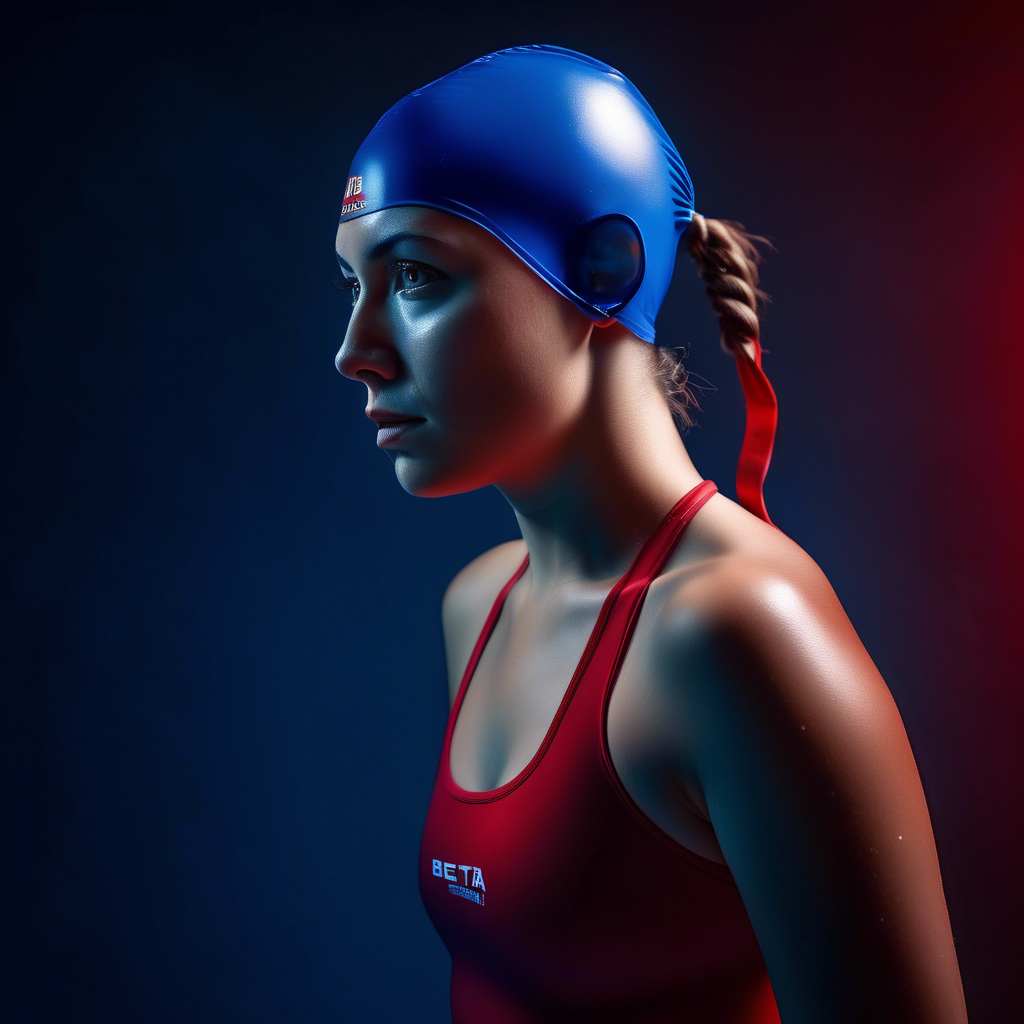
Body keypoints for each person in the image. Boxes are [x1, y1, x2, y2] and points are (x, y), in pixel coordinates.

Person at [333, 44, 968, 1024]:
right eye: (354, 285)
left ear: (602, 269)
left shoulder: (736, 633)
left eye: (415, 276)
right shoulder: (480, 604)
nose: (356, 352)